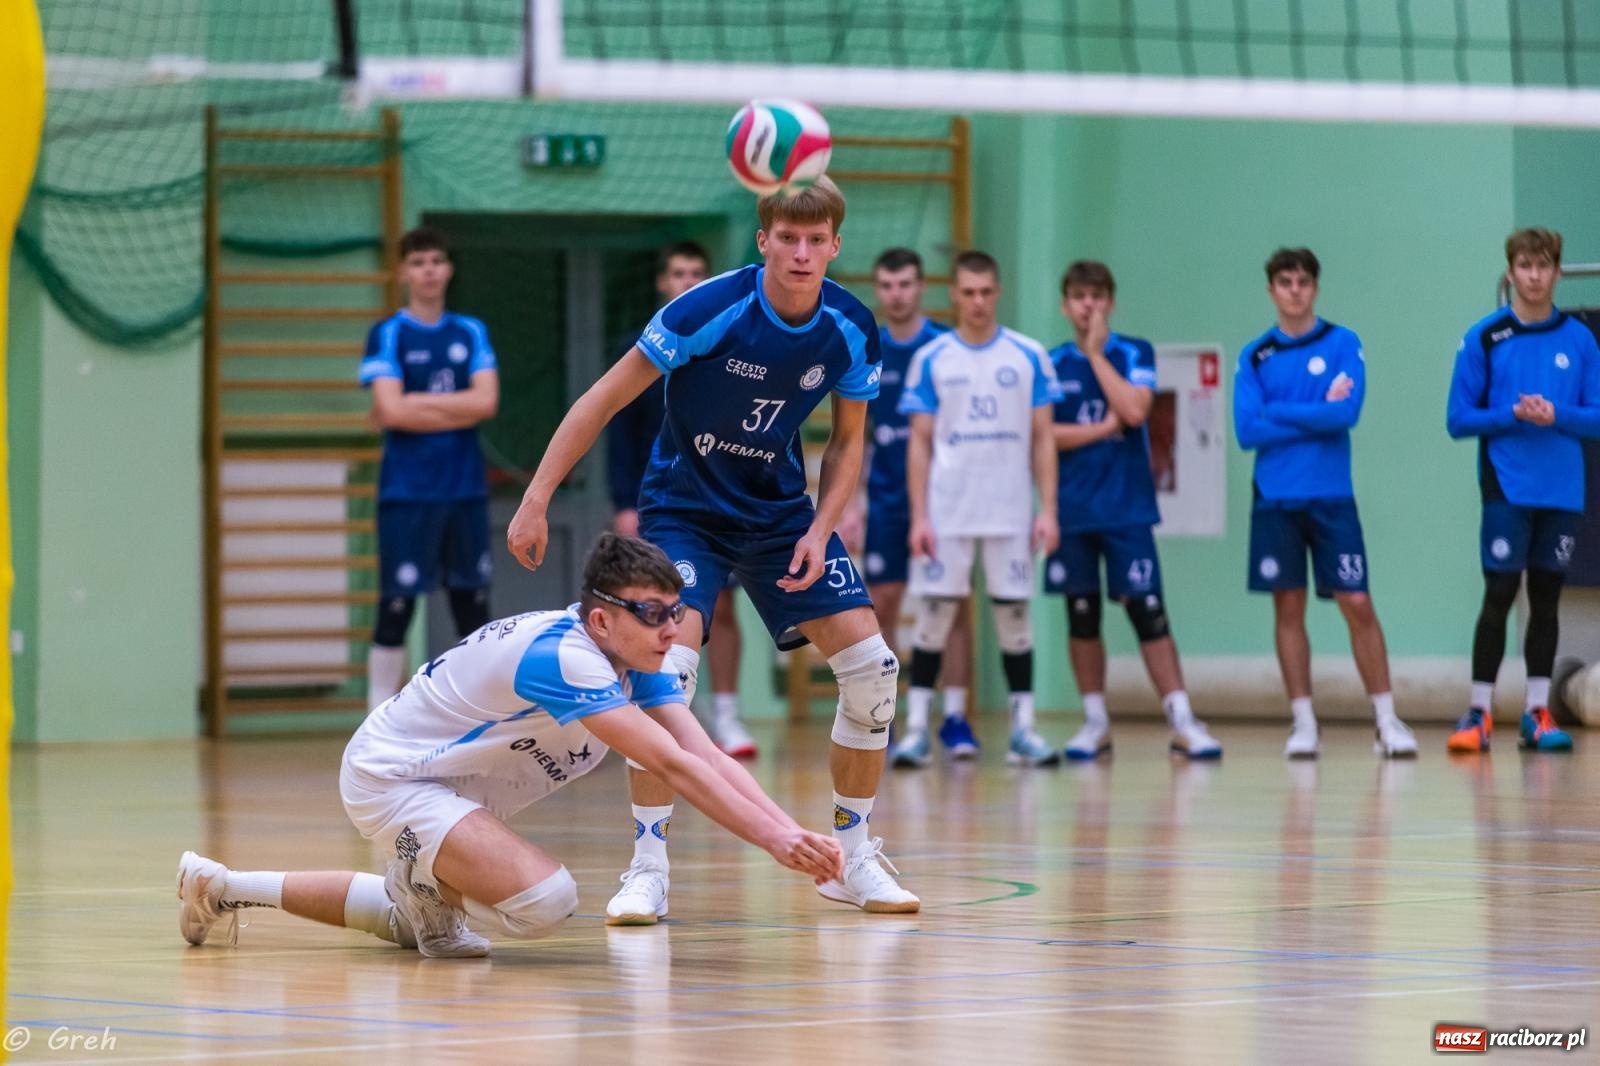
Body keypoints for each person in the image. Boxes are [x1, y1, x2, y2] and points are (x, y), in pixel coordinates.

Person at [507, 177, 920, 923]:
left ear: (834, 245)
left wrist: (822, 527)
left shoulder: (852, 326)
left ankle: (852, 858)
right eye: (785, 238)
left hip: (780, 516)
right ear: (763, 241)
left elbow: (850, 439)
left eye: (814, 239)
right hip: (684, 509)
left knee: (873, 670)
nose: (800, 253)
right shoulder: (708, 309)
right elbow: (603, 398)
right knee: (669, 673)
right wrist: (536, 498)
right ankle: (647, 866)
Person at [177, 534, 844, 957]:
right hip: (397, 778)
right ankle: (418, 878)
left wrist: (794, 830)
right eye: (651, 613)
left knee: (412, 924)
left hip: (449, 789)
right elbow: (670, 763)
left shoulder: (637, 657)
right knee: (545, 902)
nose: (670, 630)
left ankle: (223, 887)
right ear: (602, 619)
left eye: (675, 612)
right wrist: (776, 845)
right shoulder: (566, 658)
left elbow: (705, 756)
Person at [1234, 247, 1417, 760]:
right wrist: (1316, 408)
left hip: (1333, 499)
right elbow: (1247, 430)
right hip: (1274, 498)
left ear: (1315, 288)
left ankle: (1386, 720)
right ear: (1271, 290)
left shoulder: (1343, 343)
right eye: (1285, 282)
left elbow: (1346, 414)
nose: (1295, 290)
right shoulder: (1255, 356)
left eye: (1303, 282)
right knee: (1287, 606)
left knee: (1356, 602)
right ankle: (1304, 723)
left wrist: (1282, 410)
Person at [891, 250, 1062, 769]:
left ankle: (1024, 731)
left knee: (1014, 618)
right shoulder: (933, 359)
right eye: (968, 292)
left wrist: (1048, 509)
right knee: (935, 617)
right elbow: (918, 443)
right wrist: (920, 516)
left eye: (987, 291)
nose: (978, 301)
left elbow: (1043, 438)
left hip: (1010, 510)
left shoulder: (1027, 355)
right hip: (949, 511)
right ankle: (918, 729)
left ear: (999, 292)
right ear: (954, 295)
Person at [1045, 260, 1222, 760]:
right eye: (1079, 296)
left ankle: (1182, 720)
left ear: (1111, 302)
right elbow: (1044, 436)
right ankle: (1095, 722)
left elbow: (1135, 409)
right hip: (1074, 511)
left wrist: (1098, 357)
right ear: (1065, 305)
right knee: (1081, 617)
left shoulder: (1133, 351)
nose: (1088, 306)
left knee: (1149, 612)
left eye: (1097, 296)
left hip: (1127, 510)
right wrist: (1099, 432)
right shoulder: (1051, 363)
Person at [1445, 227, 1600, 753]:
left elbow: (1597, 417)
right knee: (1500, 590)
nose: (1535, 276)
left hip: (1561, 490)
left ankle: (1538, 712)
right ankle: (1479, 711)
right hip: (1505, 486)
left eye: (1544, 266)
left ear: (1557, 271)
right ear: (1511, 272)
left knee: (1547, 598)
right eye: (1525, 266)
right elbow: (1458, 419)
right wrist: (1510, 415)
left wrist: (1559, 414)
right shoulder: (1484, 338)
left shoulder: (1580, 340)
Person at [606, 241, 757, 759]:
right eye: (678, 272)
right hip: (658, 503)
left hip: (721, 498)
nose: (688, 281)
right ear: (662, 283)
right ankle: (655, 712)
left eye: (697, 272)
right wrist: (623, 501)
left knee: (725, 608)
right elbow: (618, 432)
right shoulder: (642, 347)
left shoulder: (728, 344)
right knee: (653, 611)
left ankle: (728, 717)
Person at [359, 227, 500, 711]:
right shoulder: (388, 333)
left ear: (449, 268)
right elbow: (390, 411)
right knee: (396, 605)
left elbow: (487, 401)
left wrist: (414, 401)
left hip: (463, 489)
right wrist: (446, 406)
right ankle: (377, 715)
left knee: (472, 605)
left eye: (437, 261)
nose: (429, 271)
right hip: (407, 490)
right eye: (418, 262)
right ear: (403, 272)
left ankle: (478, 708)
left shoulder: (470, 331)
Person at [840, 247, 974, 733]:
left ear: (921, 288)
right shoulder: (868, 347)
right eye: (888, 286)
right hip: (889, 498)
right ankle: (888, 716)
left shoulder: (944, 347)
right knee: (884, 604)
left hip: (946, 500)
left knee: (952, 604)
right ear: (879, 290)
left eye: (906, 284)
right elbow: (854, 436)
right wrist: (851, 505)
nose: (897, 295)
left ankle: (955, 716)